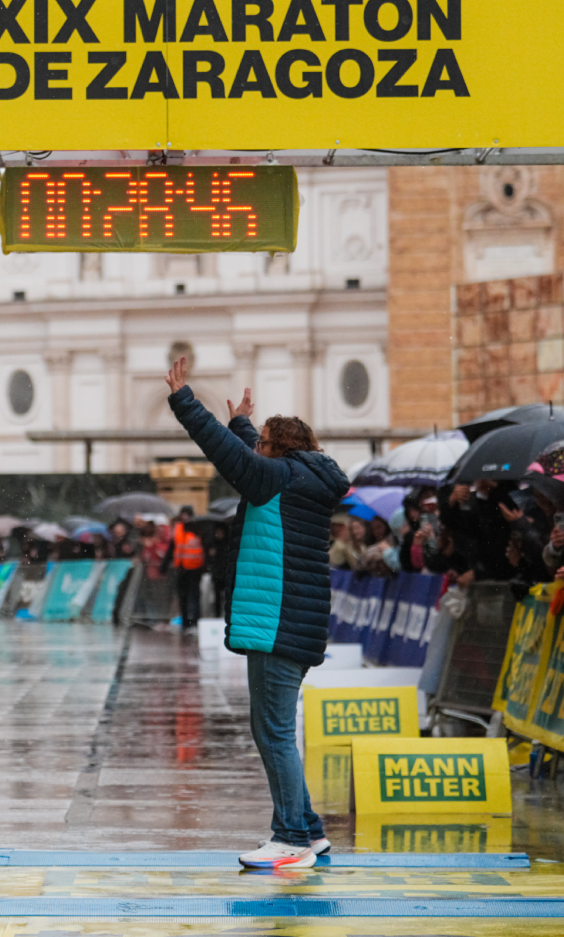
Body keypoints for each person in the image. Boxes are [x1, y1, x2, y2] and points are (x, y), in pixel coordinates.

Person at [166, 371, 344, 871]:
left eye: (262, 442)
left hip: (277, 621)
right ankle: (308, 828)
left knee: (273, 733)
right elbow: (250, 460)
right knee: (276, 729)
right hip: (293, 622)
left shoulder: (278, 480)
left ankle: (289, 839)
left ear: (277, 450)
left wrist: (186, 403)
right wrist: (245, 424)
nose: (256, 449)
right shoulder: (301, 477)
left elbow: (233, 459)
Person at [171, 506, 205, 628]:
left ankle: (196, 621)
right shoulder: (178, 528)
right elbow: (173, 546)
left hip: (195, 568)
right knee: (183, 596)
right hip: (181, 568)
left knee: (194, 596)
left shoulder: (197, 529)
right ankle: (185, 622)